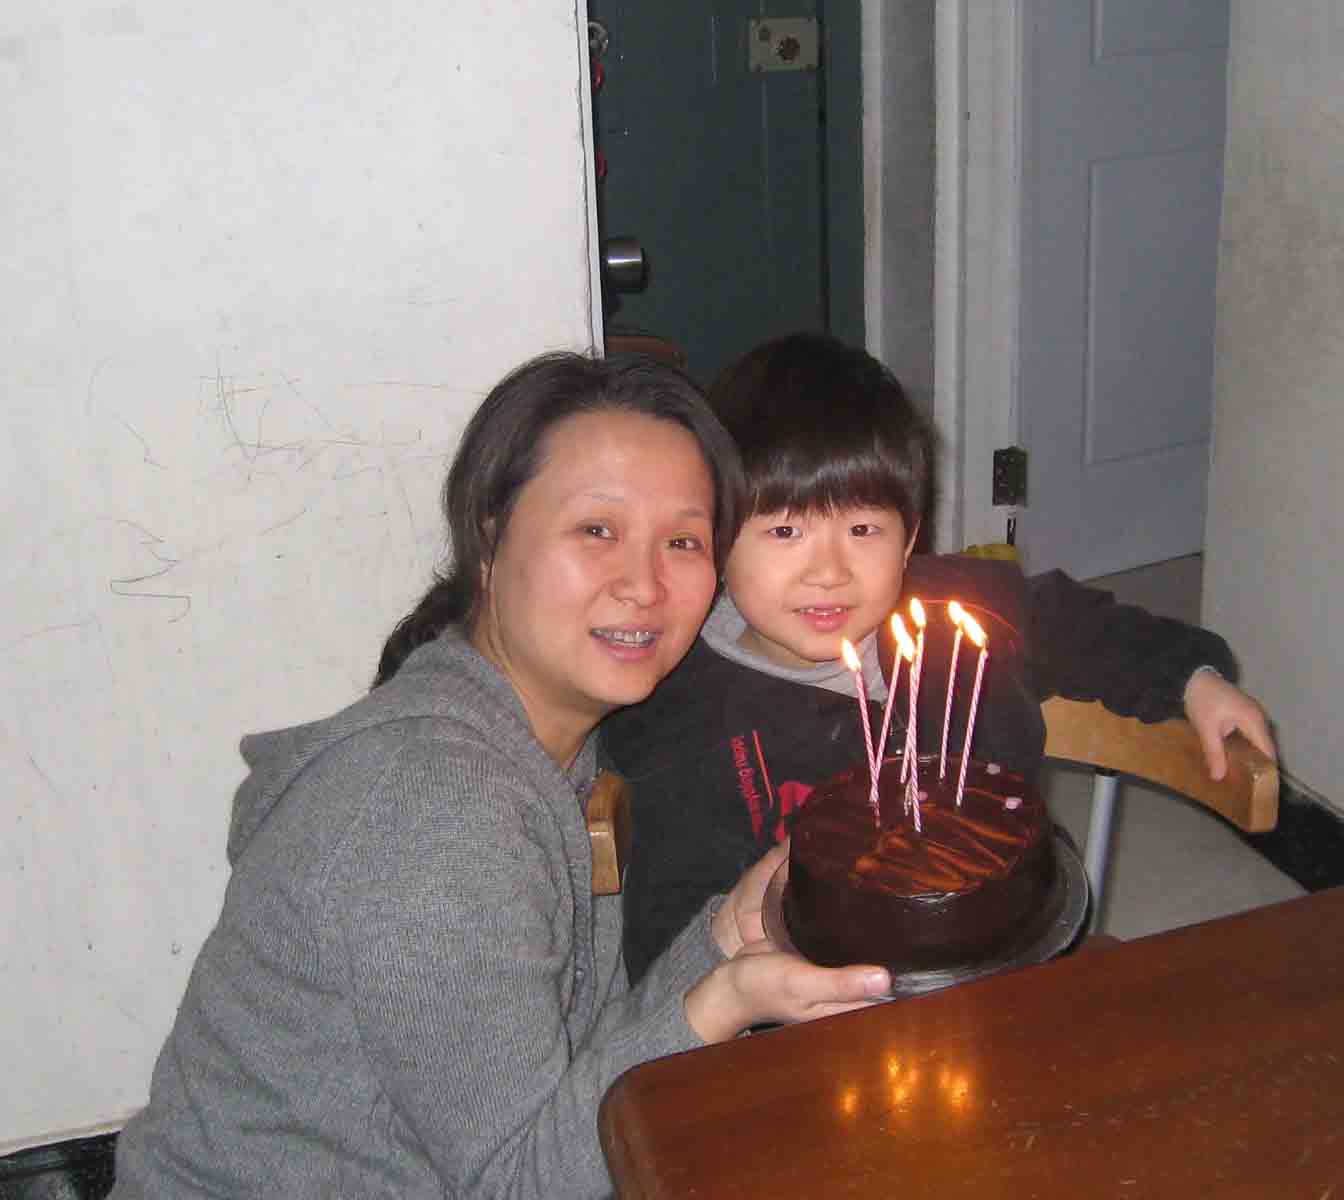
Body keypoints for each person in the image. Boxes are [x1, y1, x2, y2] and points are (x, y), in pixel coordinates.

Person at [111, 352, 891, 1199]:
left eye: (682, 541)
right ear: (489, 540)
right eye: (597, 531)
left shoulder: (555, 749)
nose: (644, 585)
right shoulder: (432, 808)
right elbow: (520, 1185)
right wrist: (723, 1001)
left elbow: (574, 1076)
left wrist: (722, 940)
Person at [603, 332, 1277, 980]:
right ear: (719, 538)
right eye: (785, 531)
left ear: (909, 539)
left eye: (863, 528)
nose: (829, 572)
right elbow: (674, 933)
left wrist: (1191, 678)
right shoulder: (682, 709)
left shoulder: (964, 612)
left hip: (1008, 954)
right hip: (811, 1004)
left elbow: (1080, 624)